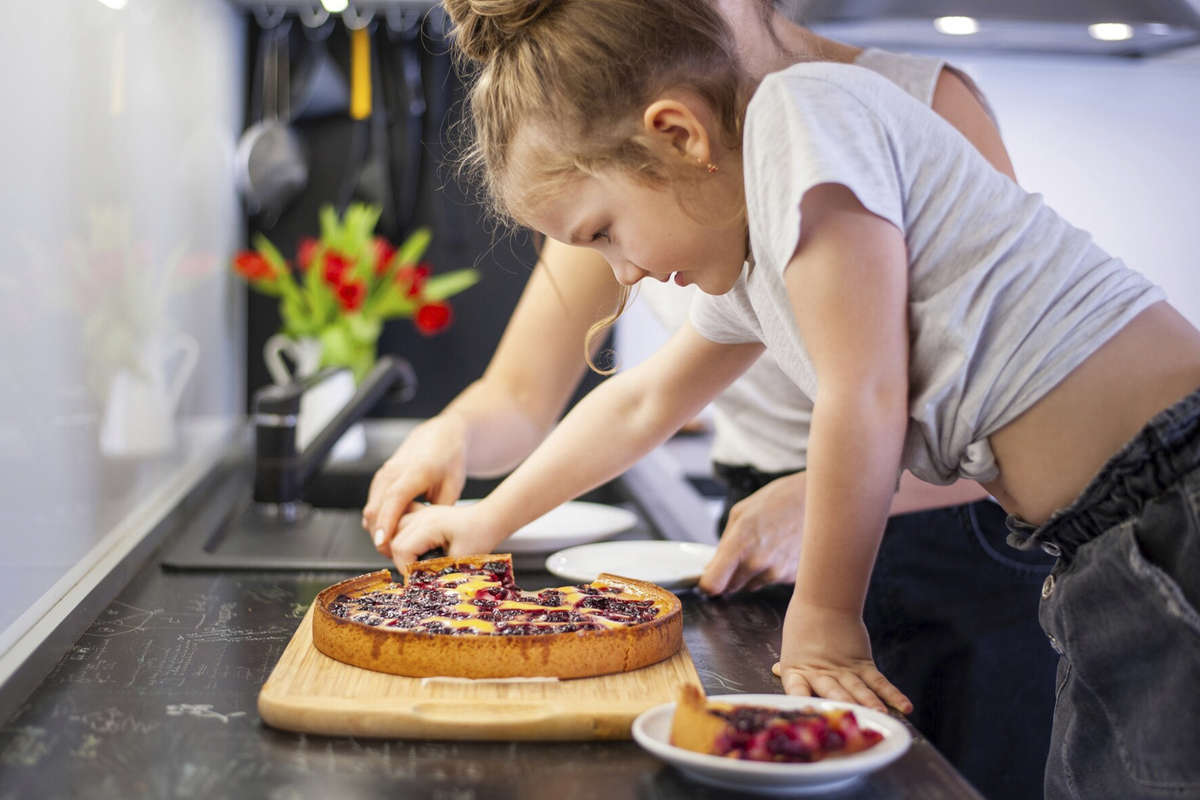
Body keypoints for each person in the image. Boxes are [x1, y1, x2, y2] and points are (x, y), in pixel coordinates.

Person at [370, 1, 1200, 797]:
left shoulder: (797, 121)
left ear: (678, 134)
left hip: (1172, 493)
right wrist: (489, 520)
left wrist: (827, 615)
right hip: (1101, 533)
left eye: (603, 232)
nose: (618, 273)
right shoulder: (757, 254)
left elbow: (864, 393)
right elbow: (641, 404)